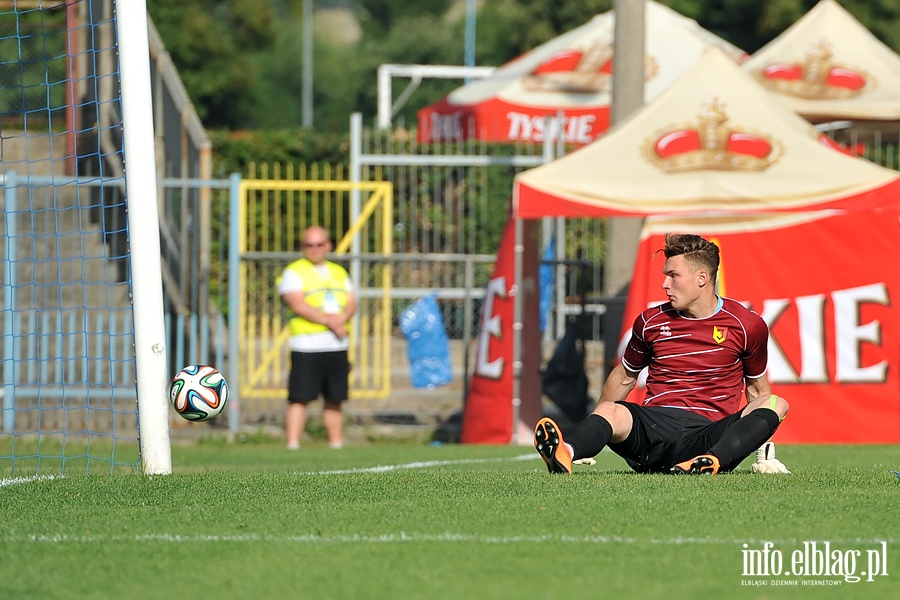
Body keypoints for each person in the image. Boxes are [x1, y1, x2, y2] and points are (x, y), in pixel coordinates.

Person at [534, 233, 791, 475]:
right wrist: (593, 433)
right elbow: (624, 377)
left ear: (702, 278)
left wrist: (764, 455)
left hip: (709, 434)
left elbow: (757, 390)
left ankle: (710, 462)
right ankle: (567, 451)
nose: (664, 284)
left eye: (673, 275)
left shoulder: (747, 325)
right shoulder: (651, 321)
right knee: (611, 410)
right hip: (653, 431)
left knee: (776, 403)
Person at [277, 226, 357, 450]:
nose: (315, 249)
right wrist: (333, 322)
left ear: (328, 245)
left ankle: (336, 445)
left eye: (320, 244)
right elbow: (297, 303)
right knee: (300, 397)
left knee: (335, 398)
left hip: (336, 345)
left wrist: (341, 318)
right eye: (309, 245)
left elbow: (352, 302)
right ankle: (292, 445)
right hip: (307, 345)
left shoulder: (339, 271)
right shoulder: (294, 271)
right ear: (303, 247)